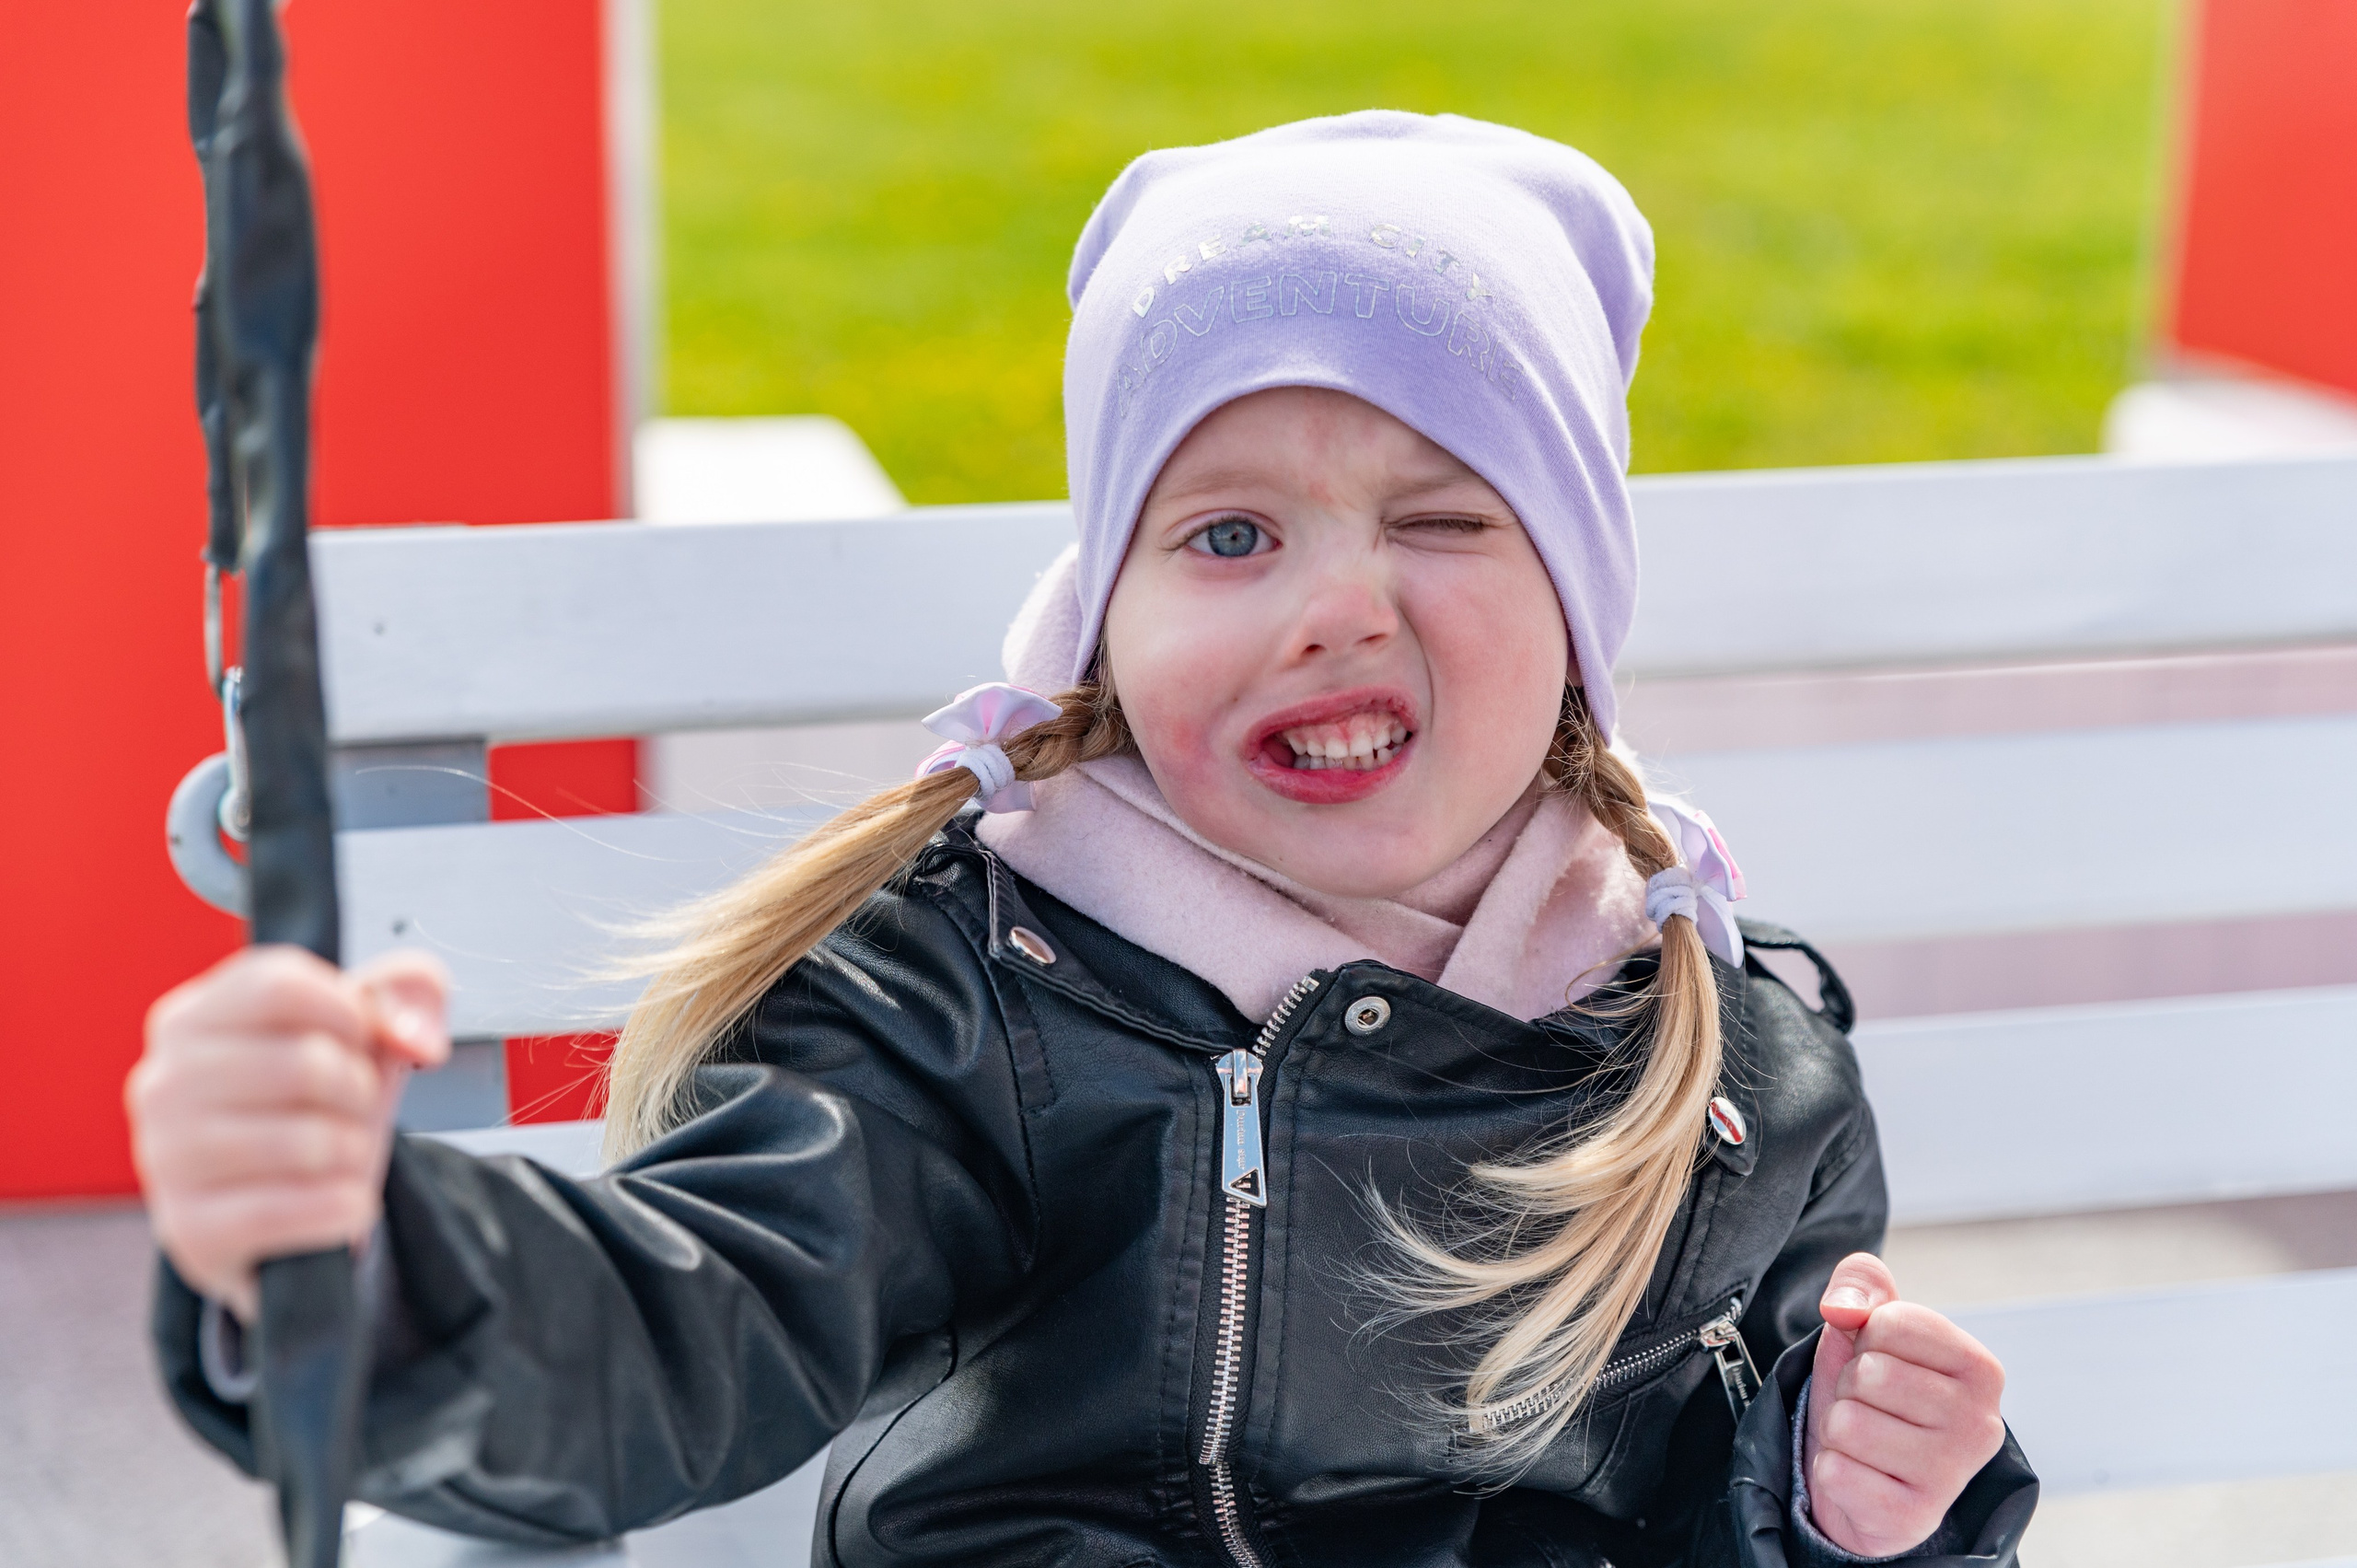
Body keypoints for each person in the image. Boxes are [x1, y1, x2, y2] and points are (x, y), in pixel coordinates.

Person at [130, 111, 2034, 1567]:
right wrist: (356, 1263)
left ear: (1580, 616)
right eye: (1225, 535)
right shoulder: (969, 1000)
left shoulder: (1722, 1065)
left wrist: (1858, 1493)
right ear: (1099, 615)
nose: (1331, 606)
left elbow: (1737, 1484)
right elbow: (690, 1327)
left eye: (1443, 521)